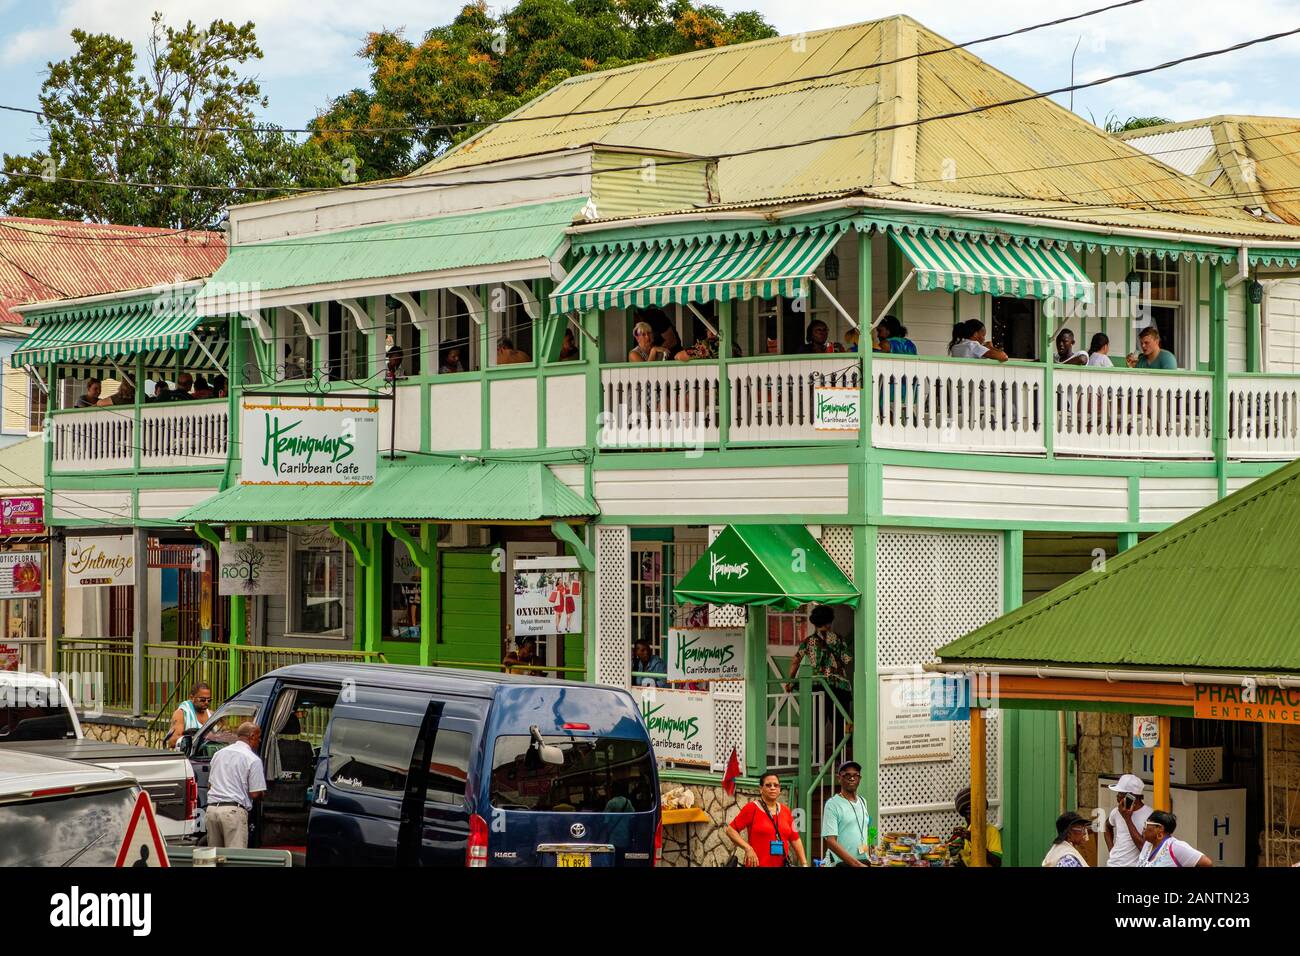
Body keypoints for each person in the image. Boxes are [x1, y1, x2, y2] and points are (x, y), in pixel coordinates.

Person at [786, 605, 852, 731]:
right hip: (840, 687)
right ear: (830, 621)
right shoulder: (838, 639)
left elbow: (795, 661)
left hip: (818, 686)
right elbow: (847, 659)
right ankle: (839, 750)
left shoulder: (809, 641)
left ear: (815, 622)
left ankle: (817, 750)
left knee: (818, 723)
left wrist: (791, 681)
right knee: (840, 724)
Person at [725, 772, 808, 867]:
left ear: (779, 789)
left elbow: (795, 839)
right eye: (768, 785)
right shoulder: (752, 808)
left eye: (776, 785)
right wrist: (748, 848)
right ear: (761, 789)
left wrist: (804, 863)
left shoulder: (786, 811)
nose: (773, 788)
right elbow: (730, 830)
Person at [205, 721, 266, 849]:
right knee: (235, 858)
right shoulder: (253, 759)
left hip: (212, 811)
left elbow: (210, 786)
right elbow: (255, 793)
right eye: (259, 737)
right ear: (252, 736)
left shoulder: (218, 754)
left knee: (213, 858)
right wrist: (263, 794)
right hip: (233, 813)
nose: (259, 741)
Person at [822, 761, 871, 867]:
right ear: (839, 778)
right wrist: (855, 864)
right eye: (847, 775)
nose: (852, 778)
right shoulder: (832, 804)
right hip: (840, 863)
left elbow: (864, 832)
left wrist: (869, 855)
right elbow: (831, 842)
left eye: (855, 775)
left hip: (862, 861)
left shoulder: (863, 801)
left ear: (859, 778)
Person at [1104, 773, 1153, 867]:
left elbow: (1144, 848)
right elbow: (1107, 826)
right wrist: (1111, 850)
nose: (1117, 797)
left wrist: (1127, 819)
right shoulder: (1117, 811)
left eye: (1120, 794)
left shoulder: (1150, 816)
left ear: (1131, 797)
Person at [1137, 810, 1213, 867]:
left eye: (1147, 824)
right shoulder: (1148, 844)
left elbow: (1207, 863)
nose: (1144, 828)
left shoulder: (1175, 847)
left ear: (1160, 828)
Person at [952, 786, 1002, 867]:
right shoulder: (964, 833)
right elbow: (950, 852)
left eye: (980, 812)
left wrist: (974, 840)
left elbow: (997, 862)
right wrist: (954, 841)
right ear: (964, 815)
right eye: (970, 814)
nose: (977, 817)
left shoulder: (991, 831)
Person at [165, 682, 212, 750]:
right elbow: (172, 742)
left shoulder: (211, 715)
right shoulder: (181, 714)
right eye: (202, 700)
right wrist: (199, 738)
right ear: (192, 698)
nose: (206, 703)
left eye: (209, 700)